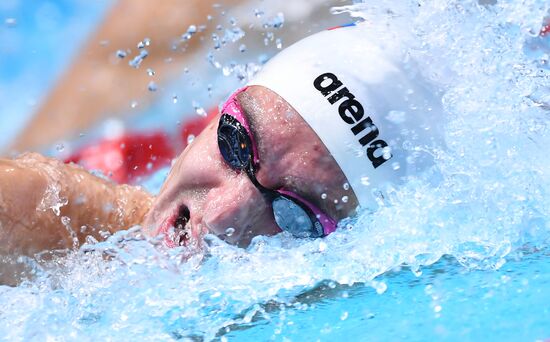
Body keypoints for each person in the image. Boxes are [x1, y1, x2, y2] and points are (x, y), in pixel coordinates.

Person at [0, 23, 444, 256]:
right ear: (216, 115)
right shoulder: (53, 217)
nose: (220, 217)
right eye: (234, 144)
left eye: (295, 215)